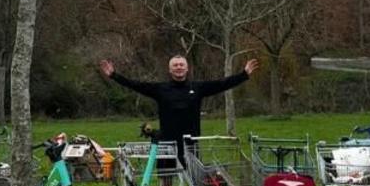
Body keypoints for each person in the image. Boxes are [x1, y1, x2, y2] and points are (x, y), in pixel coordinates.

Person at [99, 54, 259, 159]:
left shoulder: (198, 88)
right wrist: (114, 75)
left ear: (187, 68)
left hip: (191, 143)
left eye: (182, 65)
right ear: (170, 70)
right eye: (175, 65)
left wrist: (243, 75)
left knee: (196, 181)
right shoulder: (160, 89)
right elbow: (136, 85)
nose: (179, 67)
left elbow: (222, 84)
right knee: (166, 181)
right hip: (167, 143)